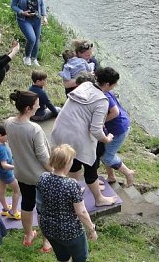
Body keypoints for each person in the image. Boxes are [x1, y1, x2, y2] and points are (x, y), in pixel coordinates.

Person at [36, 144, 98, 262]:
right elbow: (81, 212)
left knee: (62, 257)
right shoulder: (71, 184)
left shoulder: (43, 177)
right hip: (69, 230)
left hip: (48, 227)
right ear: (67, 163)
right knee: (79, 259)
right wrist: (92, 229)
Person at [50, 73, 118, 208]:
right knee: (90, 167)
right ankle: (99, 199)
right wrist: (106, 139)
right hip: (77, 136)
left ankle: (73, 191)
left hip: (61, 129)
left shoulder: (85, 85)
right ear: (108, 85)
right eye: (115, 84)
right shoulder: (102, 101)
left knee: (72, 162)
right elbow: (96, 130)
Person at [4, 90, 52, 252]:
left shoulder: (9, 122)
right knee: (43, 208)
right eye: (36, 104)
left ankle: (28, 235)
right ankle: (46, 242)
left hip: (21, 172)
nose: (39, 106)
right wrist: (53, 171)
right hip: (39, 176)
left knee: (26, 204)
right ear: (28, 108)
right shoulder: (34, 129)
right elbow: (43, 156)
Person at [95, 67, 136, 186]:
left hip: (118, 128)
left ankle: (128, 173)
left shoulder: (104, 93)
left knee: (106, 157)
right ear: (107, 84)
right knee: (107, 151)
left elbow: (115, 112)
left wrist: (101, 122)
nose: (115, 86)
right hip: (118, 125)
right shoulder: (104, 91)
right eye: (114, 84)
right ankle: (111, 176)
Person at [10, 0, 48, 66]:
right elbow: (13, 6)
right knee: (32, 39)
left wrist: (44, 16)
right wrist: (21, 12)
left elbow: (42, 4)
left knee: (37, 39)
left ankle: (34, 58)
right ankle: (26, 57)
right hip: (24, 19)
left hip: (36, 19)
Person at [0, 124, 20, 219]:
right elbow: (4, 165)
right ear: (0, 136)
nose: (9, 137)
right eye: (7, 135)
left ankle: (5, 208)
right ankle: (13, 211)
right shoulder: (2, 149)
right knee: (17, 190)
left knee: (1, 191)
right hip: (6, 174)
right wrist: (16, 167)